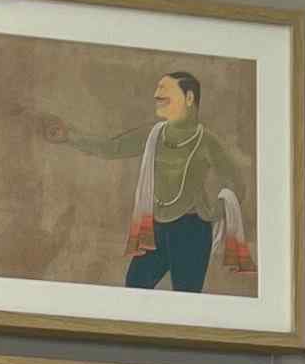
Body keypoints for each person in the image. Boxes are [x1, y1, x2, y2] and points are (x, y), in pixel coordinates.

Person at [45, 69, 254, 294]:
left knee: (186, 299)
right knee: (135, 287)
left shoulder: (207, 142)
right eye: (157, 91)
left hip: (192, 231)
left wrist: (213, 212)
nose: (156, 96)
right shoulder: (154, 134)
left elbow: (236, 184)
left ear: (190, 98)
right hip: (156, 229)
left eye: (164, 92)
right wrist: (71, 138)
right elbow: (112, 148)